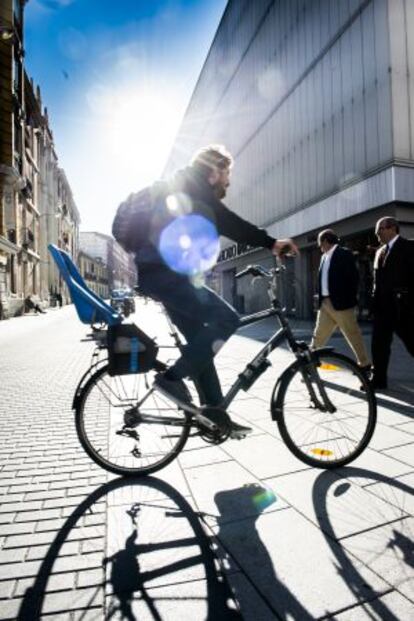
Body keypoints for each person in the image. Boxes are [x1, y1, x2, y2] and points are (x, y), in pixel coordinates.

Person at [117, 144, 298, 437]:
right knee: (228, 320)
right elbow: (231, 223)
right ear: (214, 169)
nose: (228, 181)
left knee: (199, 343)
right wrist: (272, 243)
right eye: (227, 173)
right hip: (167, 276)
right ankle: (172, 379)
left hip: (162, 275)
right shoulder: (192, 186)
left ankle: (214, 416)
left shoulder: (187, 187)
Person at [311, 229, 371, 372]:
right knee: (318, 335)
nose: (319, 247)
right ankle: (310, 363)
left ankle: (365, 365)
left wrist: (348, 300)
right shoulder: (323, 257)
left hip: (341, 304)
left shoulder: (344, 254)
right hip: (325, 303)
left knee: (352, 334)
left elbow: (354, 279)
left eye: (320, 243)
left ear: (325, 241)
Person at [370, 217, 414, 390]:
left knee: (413, 343)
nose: (377, 233)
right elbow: (377, 281)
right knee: (378, 346)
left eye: (380, 229)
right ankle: (379, 380)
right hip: (382, 309)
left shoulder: (409, 247)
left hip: (403, 309)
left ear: (393, 229)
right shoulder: (380, 251)